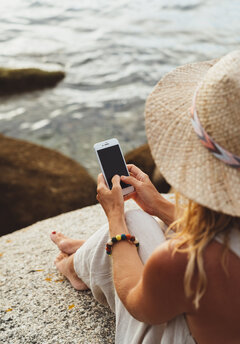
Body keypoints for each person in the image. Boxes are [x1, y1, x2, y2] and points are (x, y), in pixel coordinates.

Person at [50, 50, 240, 344]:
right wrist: (161, 206)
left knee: (133, 220)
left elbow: (137, 303)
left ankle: (74, 265)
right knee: (151, 218)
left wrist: (115, 221)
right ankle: (87, 254)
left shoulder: (188, 261)